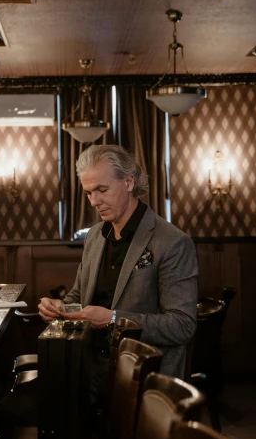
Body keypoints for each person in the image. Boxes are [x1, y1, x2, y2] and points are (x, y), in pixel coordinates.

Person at [38, 144, 198, 401]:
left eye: (102, 190)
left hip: (140, 375)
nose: (94, 202)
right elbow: (79, 295)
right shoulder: (94, 236)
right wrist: (59, 307)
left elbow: (182, 326)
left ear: (128, 182)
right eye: (88, 192)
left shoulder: (172, 242)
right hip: (87, 367)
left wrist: (113, 319)